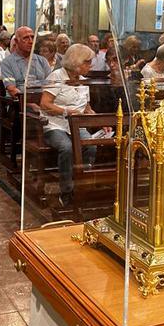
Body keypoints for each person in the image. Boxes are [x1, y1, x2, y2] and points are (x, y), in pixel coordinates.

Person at [39, 44, 104, 208]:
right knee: (66, 147)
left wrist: (100, 121)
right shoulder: (56, 77)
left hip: (77, 126)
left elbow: (86, 107)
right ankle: (66, 191)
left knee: (91, 146)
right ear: (77, 62)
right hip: (56, 125)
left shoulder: (83, 81)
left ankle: (83, 185)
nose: (91, 65)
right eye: (88, 62)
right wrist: (66, 111)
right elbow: (45, 104)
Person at [0, 26, 51, 97]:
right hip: (20, 103)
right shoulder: (7, 63)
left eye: (32, 37)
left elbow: (51, 85)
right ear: (16, 41)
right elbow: (12, 90)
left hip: (43, 101)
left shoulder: (42, 61)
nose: (31, 41)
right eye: (26, 38)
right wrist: (32, 105)